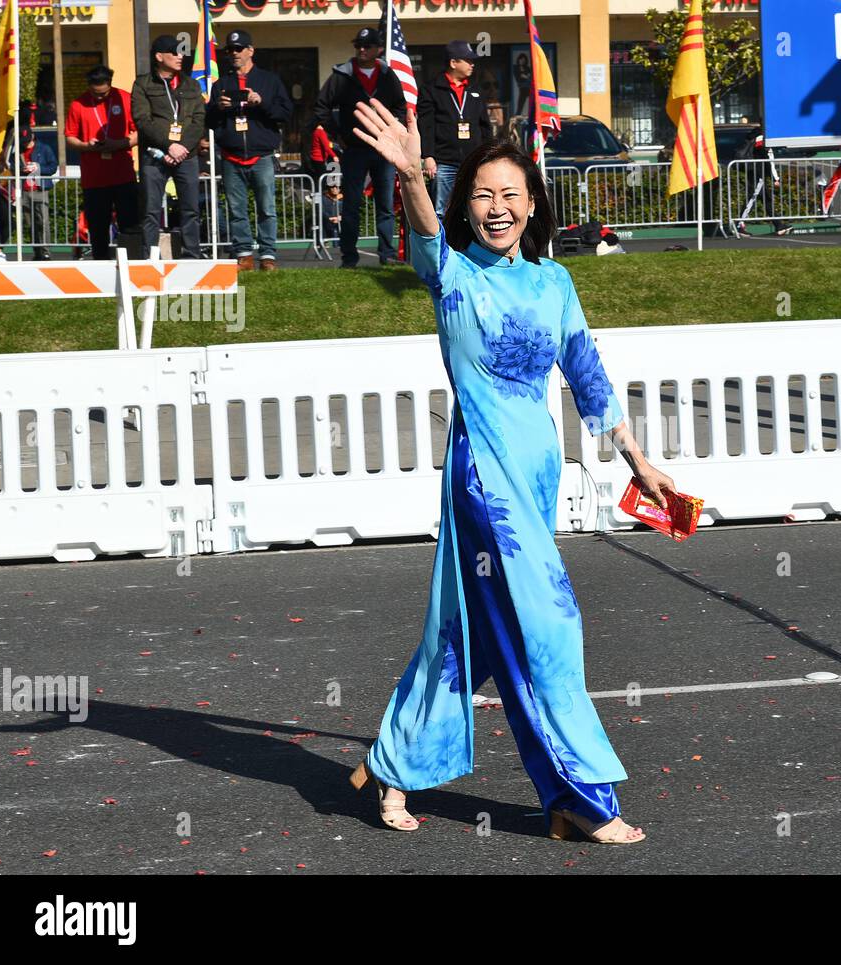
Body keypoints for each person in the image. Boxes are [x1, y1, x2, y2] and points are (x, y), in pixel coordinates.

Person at [348, 96, 675, 844]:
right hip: (484, 486)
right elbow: (426, 229)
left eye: (510, 196)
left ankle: (392, 760)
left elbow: (586, 374)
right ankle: (579, 798)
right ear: (466, 208)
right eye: (483, 197)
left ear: (533, 205)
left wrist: (636, 457)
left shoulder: (554, 284)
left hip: (535, 482)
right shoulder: (452, 275)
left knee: (475, 636)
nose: (496, 209)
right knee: (551, 628)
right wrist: (408, 178)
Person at [312, 27, 408, 268]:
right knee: (352, 204)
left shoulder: (388, 75)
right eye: (358, 46)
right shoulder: (342, 75)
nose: (362, 50)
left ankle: (386, 255)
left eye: (367, 46)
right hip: (354, 149)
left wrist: (391, 127)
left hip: (383, 149)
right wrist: (339, 135)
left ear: (378, 49)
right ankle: (349, 257)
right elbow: (321, 107)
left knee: (385, 205)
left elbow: (400, 107)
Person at [206, 29, 293, 271]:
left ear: (250, 51)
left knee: (267, 208)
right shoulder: (221, 84)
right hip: (231, 156)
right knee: (236, 210)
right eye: (229, 50)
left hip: (261, 156)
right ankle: (244, 254)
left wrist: (261, 103)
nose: (233, 53)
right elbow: (209, 122)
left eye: (239, 48)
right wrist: (218, 108)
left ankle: (267, 256)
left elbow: (285, 114)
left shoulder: (270, 80)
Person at [133, 35, 206, 258]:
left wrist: (182, 146)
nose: (180, 56)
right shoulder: (142, 84)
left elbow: (198, 119)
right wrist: (168, 146)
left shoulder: (191, 84)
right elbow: (143, 120)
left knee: (191, 209)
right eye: (174, 52)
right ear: (159, 56)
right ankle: (150, 256)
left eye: (182, 52)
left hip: (187, 155)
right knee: (151, 210)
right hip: (154, 156)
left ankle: (191, 254)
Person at [65, 65, 139, 260]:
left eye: (104, 93)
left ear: (110, 85)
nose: (100, 98)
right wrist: (87, 145)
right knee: (98, 229)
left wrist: (119, 144)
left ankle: (132, 264)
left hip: (123, 174)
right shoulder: (78, 104)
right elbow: (70, 137)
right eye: (95, 94)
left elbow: (139, 132)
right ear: (89, 87)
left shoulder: (124, 98)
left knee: (130, 225)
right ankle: (101, 267)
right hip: (94, 178)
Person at [416, 40, 492, 220]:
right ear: (453, 63)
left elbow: (485, 126)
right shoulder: (431, 89)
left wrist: (489, 154)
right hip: (444, 162)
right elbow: (426, 125)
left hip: (473, 161)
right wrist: (428, 156)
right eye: (468, 60)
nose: (472, 64)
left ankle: (470, 247)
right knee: (442, 210)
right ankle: (442, 248)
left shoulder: (475, 90)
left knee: (475, 207)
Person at [18, 128, 57, 260]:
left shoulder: (44, 148)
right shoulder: (19, 151)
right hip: (24, 191)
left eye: (27, 141)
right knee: (30, 224)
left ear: (33, 137)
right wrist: (21, 169)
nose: (25, 144)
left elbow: (53, 167)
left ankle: (45, 251)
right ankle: (37, 251)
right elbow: (11, 166)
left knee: (43, 222)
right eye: (24, 142)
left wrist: (38, 168)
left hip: (40, 190)